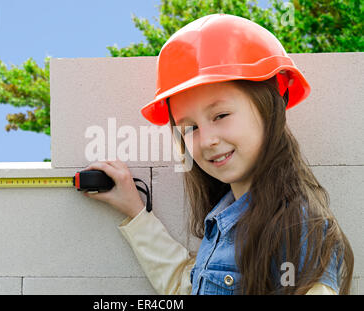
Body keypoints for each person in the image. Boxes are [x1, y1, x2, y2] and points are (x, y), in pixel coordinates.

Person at [81, 14, 354, 295]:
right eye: (190, 127)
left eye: (221, 115)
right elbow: (188, 288)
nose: (208, 140)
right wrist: (136, 212)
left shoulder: (297, 231)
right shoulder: (225, 216)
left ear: (270, 109)